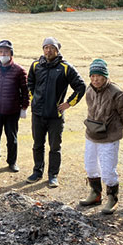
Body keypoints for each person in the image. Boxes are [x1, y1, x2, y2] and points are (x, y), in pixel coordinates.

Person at [26, 37, 85, 188]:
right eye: (46, 47)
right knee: (37, 144)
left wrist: (69, 103)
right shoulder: (36, 65)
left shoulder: (65, 68)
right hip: (38, 114)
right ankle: (37, 171)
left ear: (57, 50)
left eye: (52, 48)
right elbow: (29, 83)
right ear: (43, 49)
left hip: (55, 116)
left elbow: (81, 86)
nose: (48, 50)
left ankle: (53, 175)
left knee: (55, 147)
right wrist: (33, 99)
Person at [78, 59, 123, 214]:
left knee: (108, 169)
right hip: (91, 135)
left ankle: (112, 198)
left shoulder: (116, 92)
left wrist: (114, 129)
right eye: (92, 76)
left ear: (105, 76)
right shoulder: (89, 90)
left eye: (99, 76)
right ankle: (95, 194)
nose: (95, 79)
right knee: (90, 166)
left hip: (109, 138)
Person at [0, 40, 29, 173]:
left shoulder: (19, 70)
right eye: (1, 52)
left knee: (12, 138)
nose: (3, 54)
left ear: (11, 53)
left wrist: (24, 107)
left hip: (12, 110)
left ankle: (12, 162)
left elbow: (25, 91)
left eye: (6, 52)